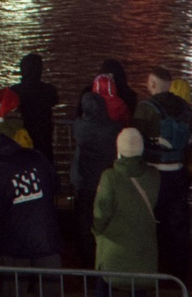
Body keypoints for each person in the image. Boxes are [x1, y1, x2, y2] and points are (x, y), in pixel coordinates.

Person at [0, 132, 63, 294]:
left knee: (14, 290)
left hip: (13, 247)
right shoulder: (36, 157)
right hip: (47, 239)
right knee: (50, 290)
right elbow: (55, 185)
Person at [133, 66, 192, 282]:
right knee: (176, 224)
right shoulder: (184, 107)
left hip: (153, 173)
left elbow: (137, 141)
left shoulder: (146, 107)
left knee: (152, 223)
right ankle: (179, 274)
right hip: (177, 171)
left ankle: (153, 271)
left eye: (149, 81)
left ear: (154, 84)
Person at [94, 128, 160, 290]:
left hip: (114, 248)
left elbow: (101, 214)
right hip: (143, 248)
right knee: (139, 286)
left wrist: (97, 231)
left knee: (103, 284)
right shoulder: (154, 176)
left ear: (119, 150)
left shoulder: (110, 177)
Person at [71, 90, 123, 263]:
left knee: (84, 219)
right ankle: (105, 254)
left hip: (84, 181)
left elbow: (77, 119)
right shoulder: (114, 129)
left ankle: (86, 256)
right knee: (106, 217)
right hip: (105, 180)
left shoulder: (79, 127)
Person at [10, 53, 59, 163]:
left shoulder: (15, 91)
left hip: (23, 136)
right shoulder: (49, 89)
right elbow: (54, 101)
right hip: (44, 135)